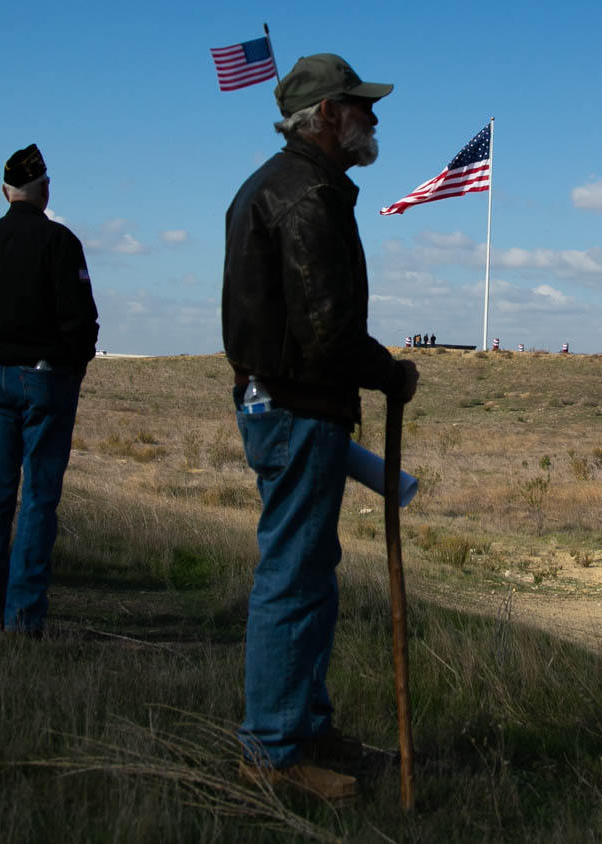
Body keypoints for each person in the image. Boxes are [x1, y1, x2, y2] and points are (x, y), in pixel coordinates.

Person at [222, 52, 418, 803]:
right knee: (294, 577)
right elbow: (325, 329)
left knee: (309, 573)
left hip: (289, 402)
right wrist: (389, 373)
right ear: (328, 115)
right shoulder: (306, 194)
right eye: (360, 105)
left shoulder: (280, 185)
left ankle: (304, 728)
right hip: (297, 405)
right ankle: (272, 754)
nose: (373, 117)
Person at [0, 144, 99, 635]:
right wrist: (73, 365)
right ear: (45, 189)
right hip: (45, 377)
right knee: (38, 497)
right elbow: (81, 320)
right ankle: (23, 616)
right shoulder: (60, 242)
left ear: (4, 192)